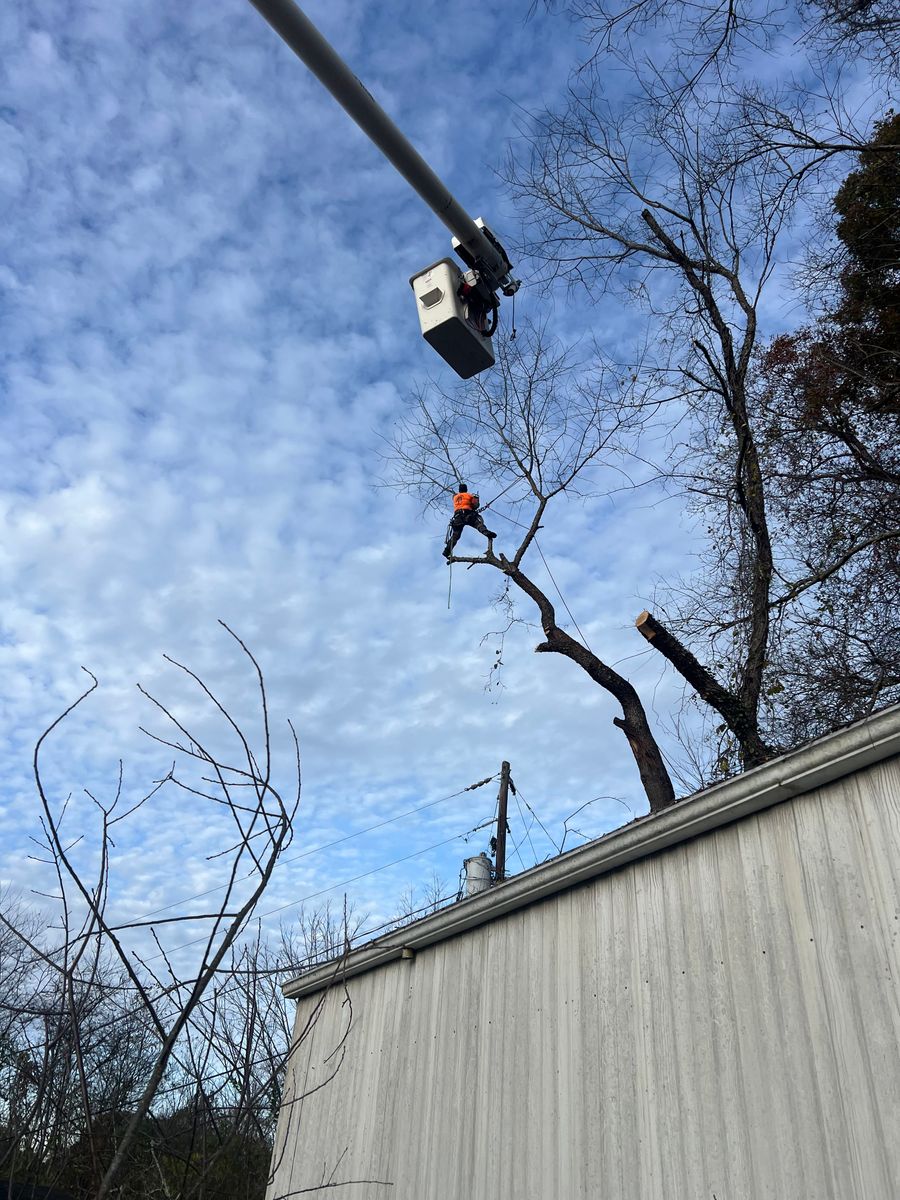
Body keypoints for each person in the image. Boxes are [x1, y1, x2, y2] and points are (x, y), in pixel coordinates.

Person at [442, 482, 496, 559]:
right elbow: (475, 505)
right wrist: (476, 499)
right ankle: (486, 532)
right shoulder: (469, 495)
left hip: (457, 517)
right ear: (466, 489)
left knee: (456, 535)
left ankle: (446, 551)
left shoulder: (455, 497)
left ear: (459, 490)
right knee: (478, 524)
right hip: (468, 514)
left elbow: (457, 498)